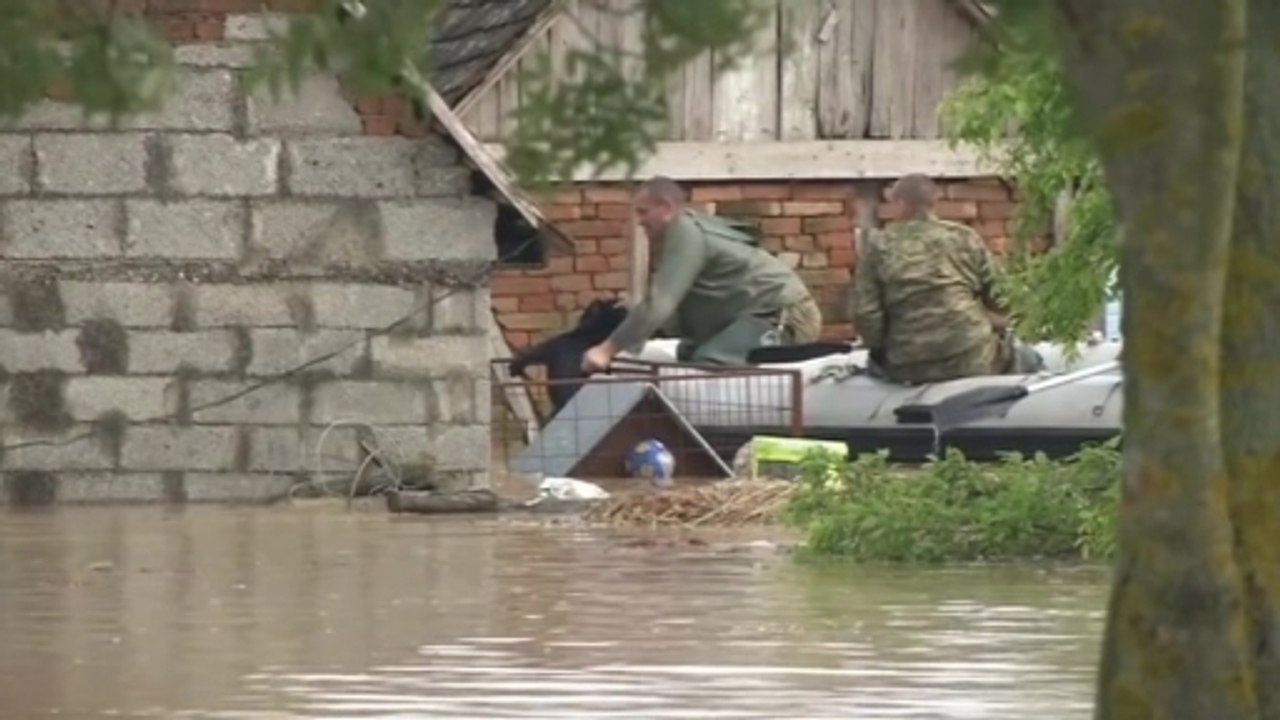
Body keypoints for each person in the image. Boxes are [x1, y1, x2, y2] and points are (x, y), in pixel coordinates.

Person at [581, 176, 823, 371]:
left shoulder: (684, 234)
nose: (640, 221)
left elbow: (661, 304)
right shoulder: (679, 238)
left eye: (643, 212)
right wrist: (636, 317)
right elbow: (674, 307)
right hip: (753, 314)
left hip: (782, 314)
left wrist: (606, 350)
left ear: (665, 208)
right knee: (688, 355)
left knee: (711, 361)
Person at [852, 174, 1042, 384]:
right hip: (971, 356)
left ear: (900, 203)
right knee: (1028, 358)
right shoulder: (964, 237)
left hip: (908, 364)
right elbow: (1001, 295)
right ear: (934, 203)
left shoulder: (879, 245)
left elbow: (866, 312)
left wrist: (881, 348)